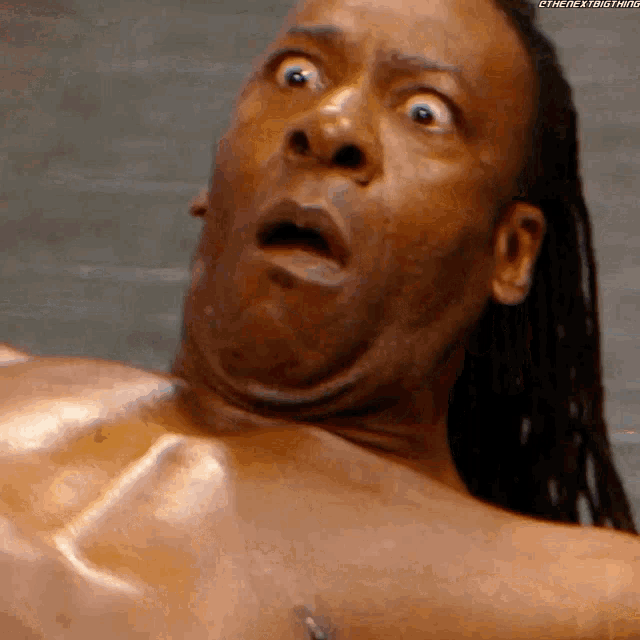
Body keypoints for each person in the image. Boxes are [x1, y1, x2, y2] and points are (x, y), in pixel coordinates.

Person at [1, 0, 638, 637]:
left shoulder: (584, 595)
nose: (330, 125)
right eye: (297, 76)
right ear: (213, 180)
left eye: (425, 113)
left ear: (511, 252)